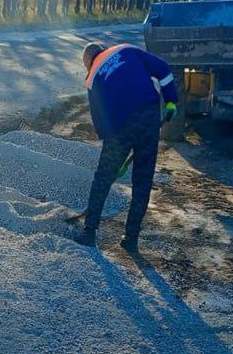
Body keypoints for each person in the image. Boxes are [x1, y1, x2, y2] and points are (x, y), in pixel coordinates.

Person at [74, 42, 178, 253]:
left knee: (103, 179)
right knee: (142, 180)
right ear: (103, 49)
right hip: (149, 116)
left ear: (88, 63)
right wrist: (171, 101)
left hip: (120, 127)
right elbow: (164, 69)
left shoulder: (92, 77)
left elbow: (100, 123)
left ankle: (89, 233)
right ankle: (131, 239)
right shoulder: (126, 49)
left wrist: (113, 158)